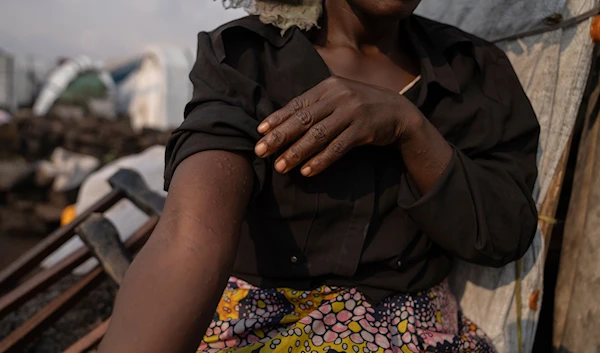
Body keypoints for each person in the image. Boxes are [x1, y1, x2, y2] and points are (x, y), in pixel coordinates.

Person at [98, 0, 540, 352]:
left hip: (416, 335)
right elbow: (190, 238)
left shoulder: (476, 73)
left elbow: (503, 234)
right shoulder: (245, 58)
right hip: (256, 325)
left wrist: (411, 128)